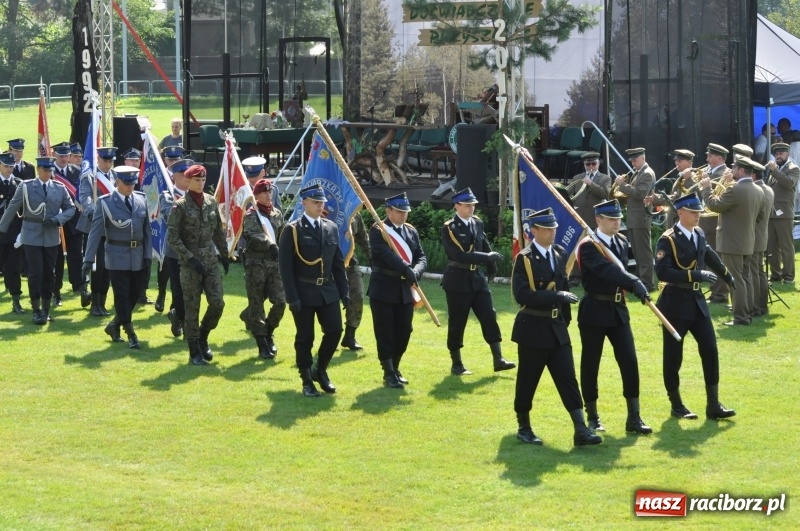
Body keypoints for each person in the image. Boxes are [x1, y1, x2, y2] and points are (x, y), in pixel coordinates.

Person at [511, 208, 602, 446]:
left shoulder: (559, 253)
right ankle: (524, 426)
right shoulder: (525, 259)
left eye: (554, 228)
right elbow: (522, 295)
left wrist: (564, 317)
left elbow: (564, 285)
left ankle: (580, 429)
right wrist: (557, 297)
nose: (553, 232)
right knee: (528, 379)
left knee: (567, 378)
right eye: (547, 229)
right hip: (533, 327)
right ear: (534, 231)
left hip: (556, 327)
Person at [654, 193, 736, 420]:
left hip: (697, 303)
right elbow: (662, 272)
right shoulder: (667, 239)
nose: (697, 215)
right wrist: (694, 274)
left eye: (699, 211)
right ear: (680, 213)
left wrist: (727, 276)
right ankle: (676, 404)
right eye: (693, 212)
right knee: (673, 358)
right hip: (674, 304)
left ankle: (713, 404)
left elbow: (709, 256)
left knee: (710, 350)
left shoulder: (698, 233)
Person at [576, 199, 652, 434]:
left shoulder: (621, 241)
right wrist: (634, 282)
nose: (617, 222)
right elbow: (607, 271)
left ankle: (634, 416)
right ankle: (593, 416)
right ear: (598, 220)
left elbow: (624, 269)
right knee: (591, 363)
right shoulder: (589, 245)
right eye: (611, 218)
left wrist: (632, 283)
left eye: (618, 218)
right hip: (594, 310)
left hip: (618, 311)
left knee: (629, 361)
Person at [278, 184, 348, 397]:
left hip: (327, 289)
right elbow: (285, 267)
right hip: (303, 290)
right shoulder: (293, 230)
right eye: (316, 202)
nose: (320, 206)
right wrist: (292, 297)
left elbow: (337, 263)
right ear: (304, 203)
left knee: (335, 330)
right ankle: (306, 378)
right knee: (305, 337)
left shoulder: (330, 228)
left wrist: (344, 292)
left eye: (322, 202)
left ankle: (321, 369)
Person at [441, 187, 514, 375]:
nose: (471, 208)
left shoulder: (477, 223)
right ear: (457, 206)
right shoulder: (450, 227)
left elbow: (483, 242)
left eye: (472, 205)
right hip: (458, 279)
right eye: (467, 205)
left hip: (477, 279)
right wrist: (486, 257)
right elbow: (458, 254)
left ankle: (498, 359)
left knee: (489, 316)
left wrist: (491, 266)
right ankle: (456, 363)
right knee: (458, 321)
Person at [0, 156, 75, 325]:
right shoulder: (26, 187)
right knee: (35, 273)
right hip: (31, 235)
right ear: (39, 170)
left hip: (50, 236)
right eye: (45, 170)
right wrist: (1, 228)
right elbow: (13, 207)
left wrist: (58, 219)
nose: (48, 173)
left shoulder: (59, 188)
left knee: (50, 273)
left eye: (50, 170)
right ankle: (36, 309)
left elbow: (70, 209)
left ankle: (46, 309)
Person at [82, 167, 152, 349]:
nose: (130, 187)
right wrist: (88, 259)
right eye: (126, 183)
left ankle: (114, 325)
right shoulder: (106, 203)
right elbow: (95, 232)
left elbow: (147, 232)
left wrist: (147, 255)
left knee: (134, 295)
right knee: (121, 296)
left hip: (137, 256)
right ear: (117, 182)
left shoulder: (141, 199)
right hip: (116, 255)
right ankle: (131, 334)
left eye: (132, 183)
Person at [167, 164, 229, 365]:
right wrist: (189, 258)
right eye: (197, 180)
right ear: (188, 181)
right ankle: (194, 349)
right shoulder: (180, 206)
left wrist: (225, 254)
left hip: (210, 260)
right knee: (192, 307)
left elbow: (218, 230)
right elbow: (173, 237)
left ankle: (203, 336)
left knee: (218, 302)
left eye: (203, 180)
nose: (201, 183)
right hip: (190, 263)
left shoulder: (211, 202)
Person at [367, 193, 427, 387]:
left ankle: (396, 366)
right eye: (399, 211)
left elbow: (421, 256)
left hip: (405, 288)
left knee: (404, 330)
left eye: (405, 212)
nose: (403, 215)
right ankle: (388, 372)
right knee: (385, 331)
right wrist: (405, 269)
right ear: (389, 211)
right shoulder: (379, 230)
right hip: (384, 287)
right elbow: (385, 254)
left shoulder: (411, 231)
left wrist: (416, 271)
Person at [700, 156, 765, 325]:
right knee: (746, 278)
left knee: (735, 279)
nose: (732, 169)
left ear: (742, 170)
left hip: (732, 243)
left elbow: (713, 205)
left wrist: (706, 189)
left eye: (735, 167)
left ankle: (741, 317)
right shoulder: (758, 190)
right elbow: (760, 217)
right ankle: (749, 311)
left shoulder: (735, 189)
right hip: (748, 241)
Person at [240, 178, 286, 359]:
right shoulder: (252, 214)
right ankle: (262, 344)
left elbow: (282, 235)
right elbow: (251, 233)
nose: (268, 195)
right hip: (256, 265)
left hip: (274, 265)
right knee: (257, 304)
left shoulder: (276, 213)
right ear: (256, 196)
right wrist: (269, 243)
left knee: (280, 301)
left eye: (270, 192)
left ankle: (269, 331)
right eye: (264, 193)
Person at [77, 146, 118, 317]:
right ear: (98, 160)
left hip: (112, 228)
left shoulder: (116, 176)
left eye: (110, 161)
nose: (108, 164)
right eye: (105, 161)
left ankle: (102, 303)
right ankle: (94, 302)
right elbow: (84, 197)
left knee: (108, 266)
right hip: (94, 226)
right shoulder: (90, 177)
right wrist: (92, 211)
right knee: (97, 266)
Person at [160, 158, 193, 338]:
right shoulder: (168, 195)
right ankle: (180, 317)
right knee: (179, 290)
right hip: (175, 251)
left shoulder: (197, 195)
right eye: (183, 175)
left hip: (195, 250)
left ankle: (178, 316)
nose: (187, 178)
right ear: (174, 177)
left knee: (193, 289)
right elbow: (167, 215)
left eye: (189, 175)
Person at [615, 147, 655, 290]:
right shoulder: (638, 173)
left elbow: (639, 194)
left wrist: (622, 185)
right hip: (634, 217)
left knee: (644, 253)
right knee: (637, 253)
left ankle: (647, 283)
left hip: (641, 217)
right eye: (631, 161)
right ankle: (640, 280)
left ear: (643, 158)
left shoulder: (647, 174)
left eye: (635, 160)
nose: (633, 163)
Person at [568, 151, 610, 286]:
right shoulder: (577, 177)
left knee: (594, 248)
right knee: (576, 247)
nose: (590, 166)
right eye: (588, 164)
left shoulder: (605, 178)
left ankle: (593, 274)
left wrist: (591, 183)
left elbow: (606, 193)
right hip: (579, 218)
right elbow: (568, 195)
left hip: (595, 219)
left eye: (593, 163)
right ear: (584, 165)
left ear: (598, 164)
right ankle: (575, 276)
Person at [51, 142, 85, 306]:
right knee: (56, 258)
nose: (64, 158)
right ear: (55, 155)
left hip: (74, 221)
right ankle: (55, 290)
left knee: (76, 255)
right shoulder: (50, 173)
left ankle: (77, 284)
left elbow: (80, 195)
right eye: (61, 155)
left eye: (66, 155)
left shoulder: (77, 172)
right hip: (56, 221)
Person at [700, 143, 731, 304]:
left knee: (717, 259)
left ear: (719, 158)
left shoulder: (724, 174)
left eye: (710, 156)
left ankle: (720, 294)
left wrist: (704, 184)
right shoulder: (710, 172)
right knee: (709, 259)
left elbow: (717, 198)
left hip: (714, 221)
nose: (707, 159)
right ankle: (714, 291)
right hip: (705, 220)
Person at [765, 143, 799, 283]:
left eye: (781, 153)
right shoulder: (775, 170)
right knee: (771, 246)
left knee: (786, 246)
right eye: (776, 154)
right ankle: (775, 274)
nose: (778, 156)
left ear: (788, 154)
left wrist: (775, 171)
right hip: (771, 213)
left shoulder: (793, 169)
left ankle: (789, 275)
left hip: (784, 213)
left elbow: (789, 183)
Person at [0, 152, 25, 313]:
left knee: (14, 268)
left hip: (14, 233)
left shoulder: (19, 183)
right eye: (6, 166)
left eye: (11, 166)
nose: (9, 169)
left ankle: (16, 301)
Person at [645, 149, 696, 228]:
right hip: (675, 220)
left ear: (689, 162)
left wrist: (657, 198)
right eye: (676, 161)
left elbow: (678, 198)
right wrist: (656, 197)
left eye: (680, 161)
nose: (676, 163)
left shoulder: (693, 177)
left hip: (682, 222)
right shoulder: (681, 176)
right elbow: (674, 196)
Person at [342, 212, 370, 351]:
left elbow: (363, 238)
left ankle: (350, 336)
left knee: (357, 297)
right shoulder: (327, 209)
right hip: (329, 264)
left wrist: (373, 259)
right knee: (330, 302)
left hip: (351, 263)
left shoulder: (354, 212)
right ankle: (331, 335)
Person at [750, 160, 775, 317]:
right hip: (762, 235)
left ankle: (756, 307)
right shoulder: (768, 189)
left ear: (752, 175)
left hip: (753, 236)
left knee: (753, 273)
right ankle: (761, 306)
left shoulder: (757, 190)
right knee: (759, 272)